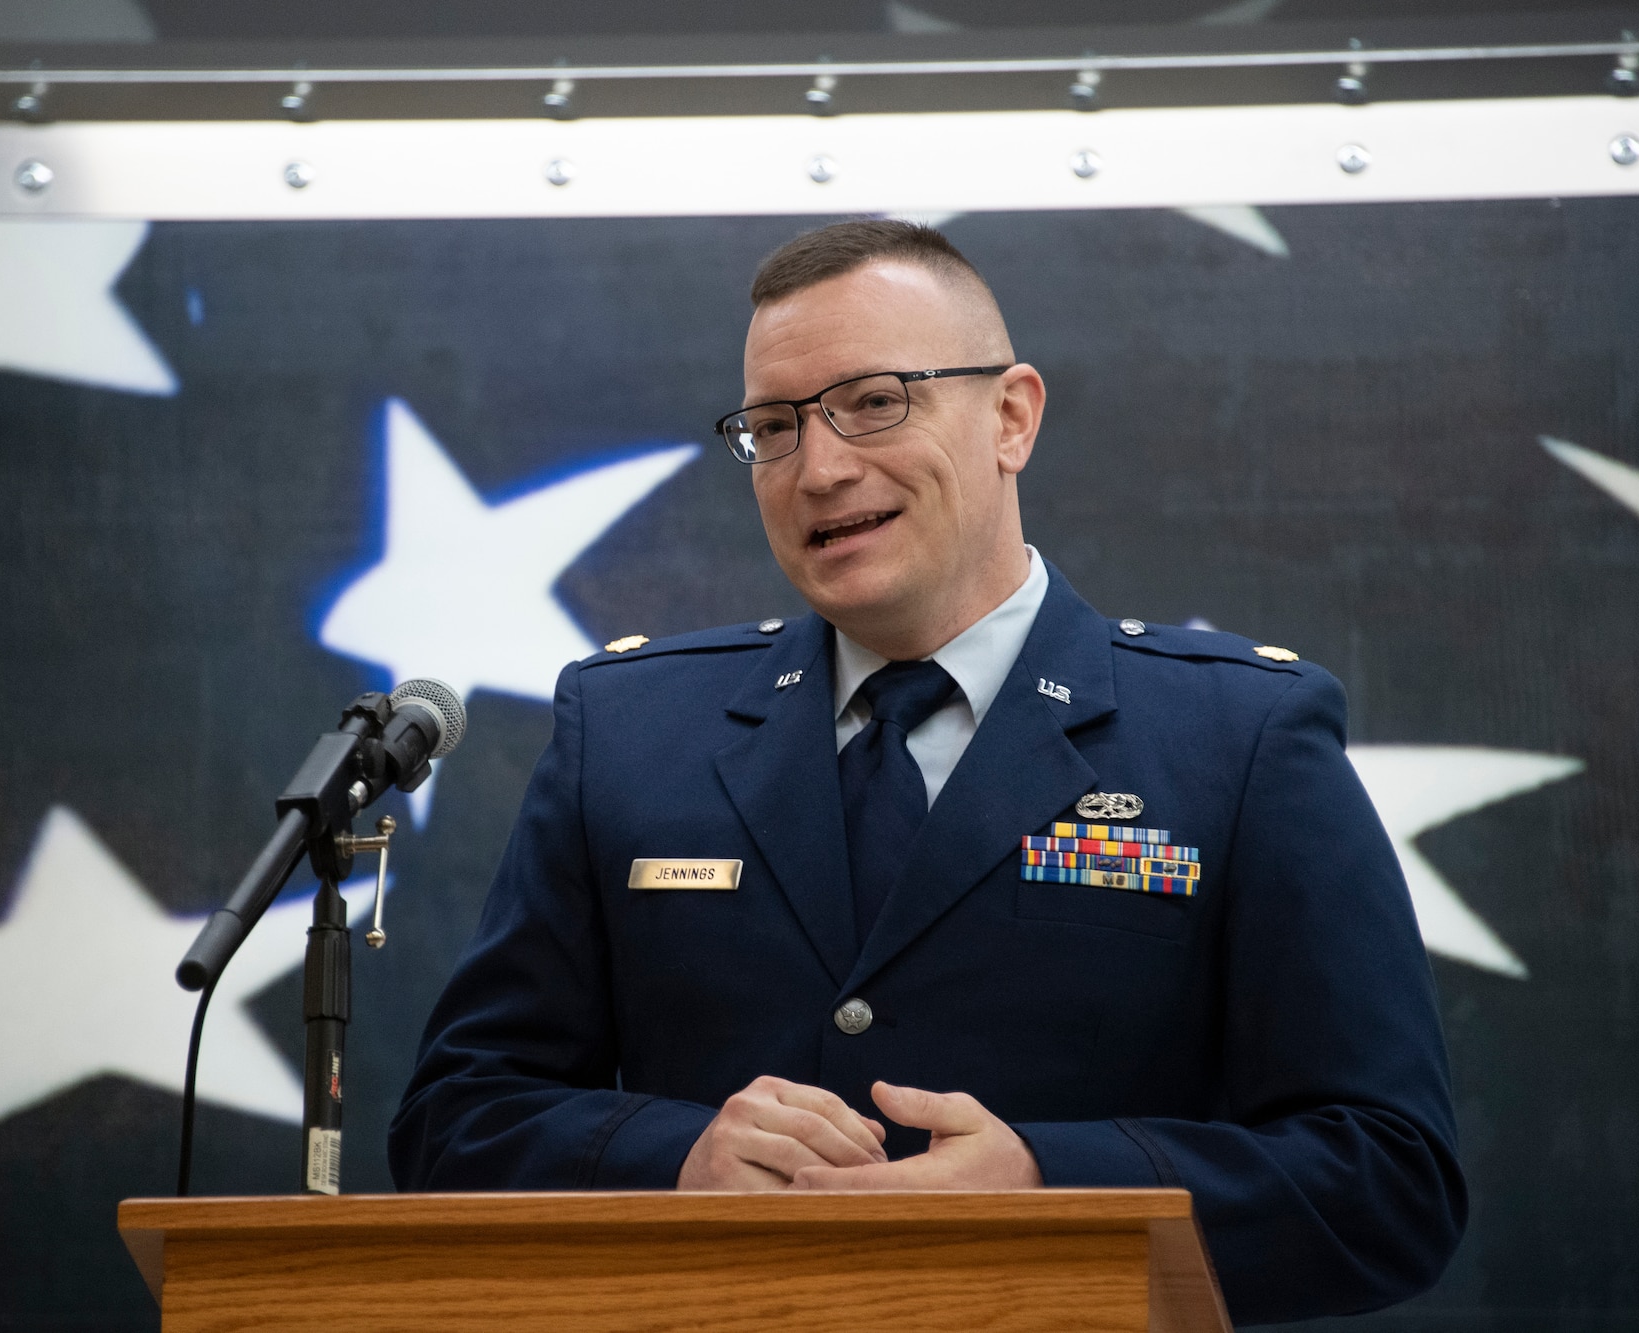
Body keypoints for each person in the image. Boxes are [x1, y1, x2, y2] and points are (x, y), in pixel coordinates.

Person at [389, 219, 1465, 1324]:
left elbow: (1387, 1177)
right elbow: (454, 1123)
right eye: (772, 426)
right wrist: (677, 1156)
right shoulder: (626, 729)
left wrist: (1050, 1182)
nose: (819, 468)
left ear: (1010, 417)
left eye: (872, 401)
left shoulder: (1238, 735)